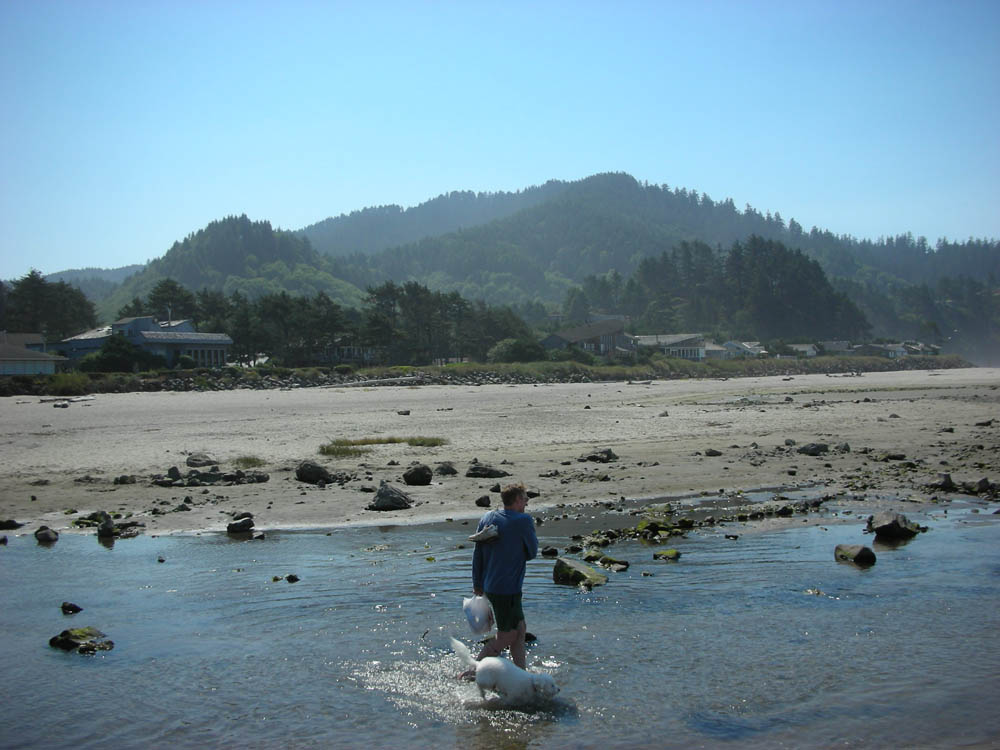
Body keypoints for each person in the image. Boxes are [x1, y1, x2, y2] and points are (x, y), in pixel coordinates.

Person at [463, 482, 538, 675]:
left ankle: (521, 674)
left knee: (520, 629)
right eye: (525, 499)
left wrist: (477, 583)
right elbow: (532, 553)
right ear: (518, 500)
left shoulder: (488, 517)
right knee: (508, 635)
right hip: (507, 589)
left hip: (491, 585)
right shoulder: (523, 521)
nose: (527, 503)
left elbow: (477, 553)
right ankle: (472, 671)